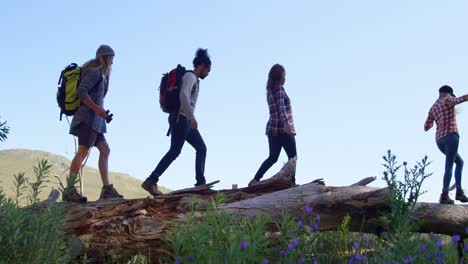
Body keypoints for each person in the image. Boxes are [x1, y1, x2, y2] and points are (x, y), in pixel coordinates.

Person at [142, 48, 212, 195]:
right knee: (175, 151)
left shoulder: (193, 78)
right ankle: (151, 180)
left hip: (184, 119)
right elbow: (183, 96)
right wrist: (191, 117)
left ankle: (200, 183)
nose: (208, 73)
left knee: (201, 148)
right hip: (182, 119)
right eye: (208, 70)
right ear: (202, 66)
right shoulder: (190, 77)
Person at [63, 45, 123, 203]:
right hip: (87, 119)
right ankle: (69, 190)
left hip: (95, 121)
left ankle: (106, 190)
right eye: (110, 58)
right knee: (82, 152)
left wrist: (101, 113)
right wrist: (97, 109)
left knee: (105, 150)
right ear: (103, 58)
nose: (112, 63)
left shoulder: (100, 74)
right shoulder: (95, 72)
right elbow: (81, 91)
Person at [249, 64, 297, 187]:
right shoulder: (280, 89)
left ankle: (256, 179)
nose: (286, 78)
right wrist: (287, 124)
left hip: (272, 129)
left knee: (273, 157)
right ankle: (291, 183)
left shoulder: (270, 90)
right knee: (293, 157)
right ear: (280, 76)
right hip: (283, 129)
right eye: (285, 75)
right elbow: (281, 108)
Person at [424, 85, 468, 204]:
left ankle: (457, 191)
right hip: (451, 136)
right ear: (448, 93)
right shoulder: (448, 99)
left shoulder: (433, 107)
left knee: (459, 162)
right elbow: (458, 100)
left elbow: (426, 127)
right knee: (449, 165)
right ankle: (447, 194)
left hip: (439, 140)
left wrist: (437, 120)